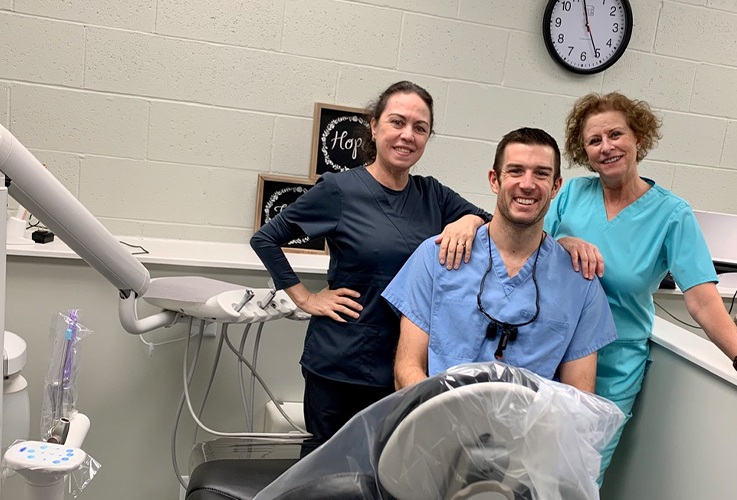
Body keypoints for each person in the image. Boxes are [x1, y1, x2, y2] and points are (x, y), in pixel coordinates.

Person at [250, 81, 491, 456]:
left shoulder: (433, 196)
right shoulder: (340, 190)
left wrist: (471, 222)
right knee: (328, 475)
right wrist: (306, 298)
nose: (407, 135)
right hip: (341, 364)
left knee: (389, 473)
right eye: (397, 122)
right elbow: (266, 238)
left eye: (420, 127)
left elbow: (499, 227)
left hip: (404, 366)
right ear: (375, 126)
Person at [544, 92, 737, 479]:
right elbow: (532, 252)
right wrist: (563, 243)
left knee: (580, 477)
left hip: (615, 365)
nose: (606, 147)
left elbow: (702, 302)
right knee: (533, 469)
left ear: (638, 138)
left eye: (616, 134)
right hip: (550, 354)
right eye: (594, 141)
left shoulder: (671, 215)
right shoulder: (570, 195)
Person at [383, 127, 617, 393]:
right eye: (516, 170)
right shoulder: (435, 258)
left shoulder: (579, 282)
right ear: (494, 180)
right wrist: (445, 418)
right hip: (440, 424)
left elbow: (580, 397)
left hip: (529, 431)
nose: (527, 184)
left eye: (541, 173)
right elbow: (406, 369)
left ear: (555, 187)